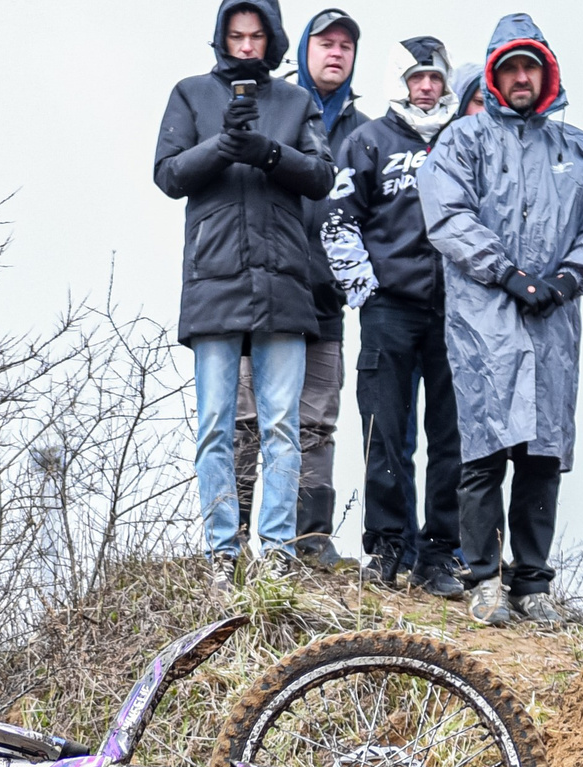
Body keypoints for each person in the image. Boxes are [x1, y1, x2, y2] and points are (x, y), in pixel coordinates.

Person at [419, 14, 583, 627]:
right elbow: (446, 216)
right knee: (483, 449)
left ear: (546, 72)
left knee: (541, 455)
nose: (521, 77)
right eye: (510, 68)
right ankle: (482, 579)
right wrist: (505, 273)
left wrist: (562, 280)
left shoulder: (574, 147)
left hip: (552, 323)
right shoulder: (464, 140)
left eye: (531, 66)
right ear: (495, 75)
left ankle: (532, 583)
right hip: (486, 318)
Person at [155, 0, 338, 575]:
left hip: (284, 279)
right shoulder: (189, 93)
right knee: (214, 425)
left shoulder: (295, 101)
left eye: (256, 36)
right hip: (212, 280)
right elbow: (167, 174)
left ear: (272, 40)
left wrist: (269, 152)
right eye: (236, 36)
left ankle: (279, 553)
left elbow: (321, 176)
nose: (245, 46)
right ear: (221, 38)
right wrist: (223, 147)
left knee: (281, 423)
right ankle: (221, 553)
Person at [323, 35, 465, 595]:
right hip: (389, 309)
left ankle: (440, 554)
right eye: (417, 78)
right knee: (385, 430)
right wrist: (365, 289)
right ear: (399, 83)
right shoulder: (368, 141)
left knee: (452, 436)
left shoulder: (464, 141)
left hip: (457, 313)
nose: (426, 88)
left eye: (434, 78)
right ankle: (387, 546)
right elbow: (338, 221)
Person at [236, 7, 365, 567]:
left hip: (324, 299)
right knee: (245, 419)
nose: (335, 52)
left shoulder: (368, 132)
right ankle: (235, 538)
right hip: (257, 293)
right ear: (303, 49)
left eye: (346, 45)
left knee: (315, 420)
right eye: (325, 42)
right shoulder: (273, 110)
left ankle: (307, 540)